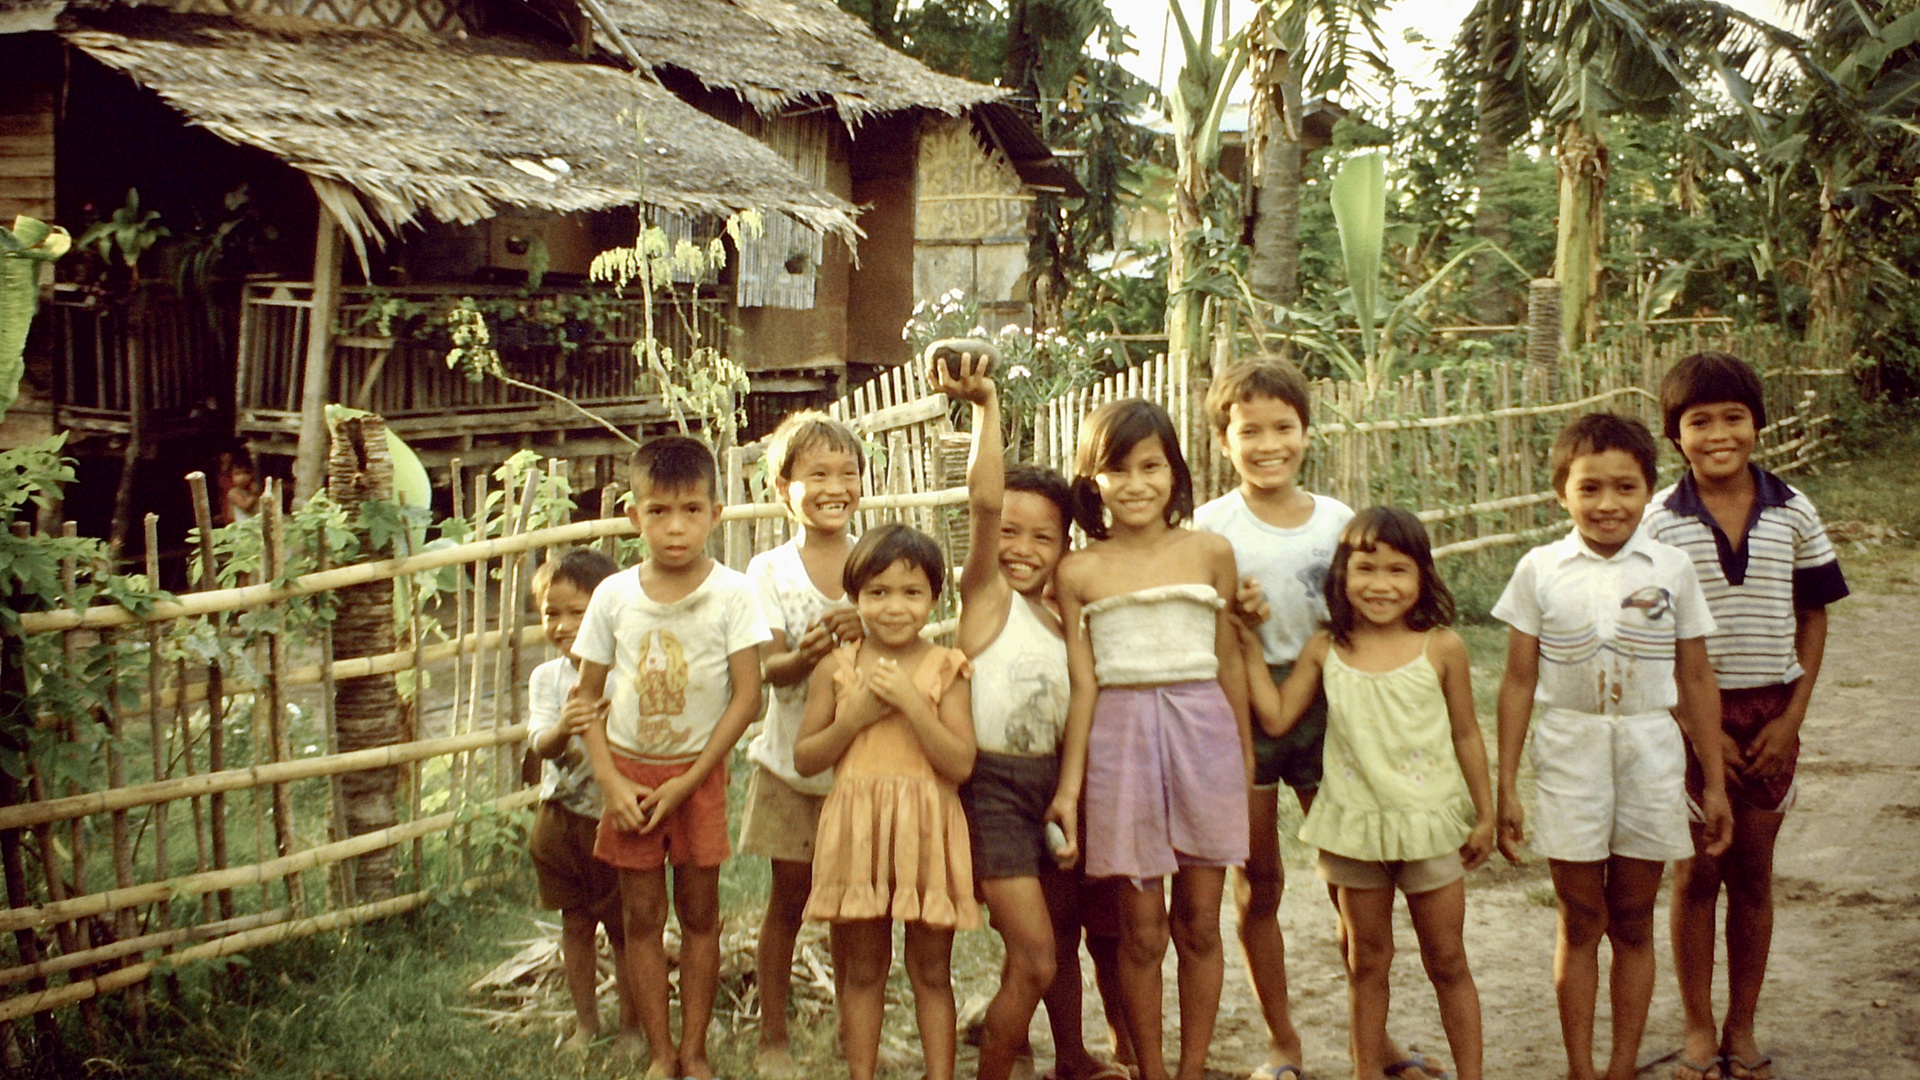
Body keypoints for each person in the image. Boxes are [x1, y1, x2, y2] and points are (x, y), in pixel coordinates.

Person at [1492, 413, 1735, 1080]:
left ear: (1648, 490)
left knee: (1632, 917)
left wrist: (1712, 784)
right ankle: (1580, 1068)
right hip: (1568, 748)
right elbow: (1516, 681)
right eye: (1589, 488)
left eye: (1625, 488)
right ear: (1560, 494)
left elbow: (1694, 677)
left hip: (1651, 751)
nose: (1607, 505)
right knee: (1580, 917)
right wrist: (1506, 783)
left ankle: (1621, 1066)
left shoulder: (1672, 567)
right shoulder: (1540, 569)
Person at [1643, 353, 1849, 1080]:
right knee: (1697, 873)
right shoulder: (1658, 523)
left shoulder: (1794, 511)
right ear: (1675, 436)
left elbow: (1813, 614)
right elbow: (1647, 638)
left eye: (1734, 417)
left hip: (1769, 712)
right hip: (1686, 718)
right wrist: (1693, 730)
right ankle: (1698, 1028)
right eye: (1700, 421)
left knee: (1754, 875)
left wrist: (1792, 717)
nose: (1719, 433)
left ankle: (1742, 1024)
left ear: (1758, 425)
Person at [931, 345, 1131, 1080]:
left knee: (1066, 937)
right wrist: (985, 407)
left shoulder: (1066, 618)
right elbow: (985, 502)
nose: (1020, 547)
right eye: (1011, 533)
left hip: (1055, 785)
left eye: (1041, 535)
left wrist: (1069, 791)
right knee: (1035, 955)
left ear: (1066, 543)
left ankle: (1073, 1058)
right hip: (992, 791)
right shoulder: (985, 599)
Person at [1250, 507, 1494, 1080]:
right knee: (1367, 962)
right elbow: (1278, 717)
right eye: (1366, 568)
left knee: (1449, 959)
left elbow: (1466, 733)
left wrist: (1485, 814)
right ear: (1342, 574)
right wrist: (1241, 638)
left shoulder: (1443, 647)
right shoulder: (1325, 648)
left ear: (1422, 577)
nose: (1380, 585)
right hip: (1354, 827)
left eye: (1397, 571)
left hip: (1428, 823)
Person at [1048, 398, 1252, 1080]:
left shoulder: (1212, 553)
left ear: (1175, 472)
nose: (1136, 484)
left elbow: (1229, 663)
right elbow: (1084, 687)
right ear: (1092, 480)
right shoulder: (1079, 571)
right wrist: (1070, 791)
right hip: (1121, 745)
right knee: (1141, 929)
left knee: (1199, 920)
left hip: (1205, 739)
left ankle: (1192, 1068)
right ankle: (1152, 1071)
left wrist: (1244, 764)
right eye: (1117, 470)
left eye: (1151, 466)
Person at [573, 435, 772, 1080]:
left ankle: (696, 1050)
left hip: (699, 774)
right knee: (640, 917)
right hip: (628, 779)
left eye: (691, 509)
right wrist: (609, 781)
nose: (676, 527)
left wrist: (689, 781)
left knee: (700, 915)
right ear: (634, 516)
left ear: (717, 512)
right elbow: (586, 701)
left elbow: (747, 698)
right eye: (659, 511)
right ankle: (660, 1053)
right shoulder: (612, 597)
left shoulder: (734, 595)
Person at [1192, 359, 1353, 1080]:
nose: (1267, 444)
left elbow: (1366, 612)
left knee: (1353, 877)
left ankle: (1367, 1034)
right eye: (1247, 430)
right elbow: (1194, 625)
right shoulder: (1209, 529)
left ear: (1306, 433)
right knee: (1260, 880)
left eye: (1281, 428)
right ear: (1224, 440)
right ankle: (1281, 1040)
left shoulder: (1339, 523)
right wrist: (1233, 619)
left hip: (1331, 701)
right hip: (1240, 706)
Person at [792, 524, 978, 1080]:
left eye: (911, 592)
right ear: (855, 599)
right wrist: (852, 719)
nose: (894, 607)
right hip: (860, 828)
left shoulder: (948, 667)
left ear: (935, 599)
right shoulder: (836, 667)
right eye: (877, 593)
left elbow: (960, 763)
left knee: (930, 970)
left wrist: (913, 705)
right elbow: (806, 757)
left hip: (926, 827)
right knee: (865, 969)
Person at [738, 409, 867, 1078]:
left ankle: (856, 1033)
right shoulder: (769, 570)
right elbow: (768, 668)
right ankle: (772, 1038)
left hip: (863, 767)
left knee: (853, 909)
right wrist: (809, 651)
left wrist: (869, 629)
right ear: (783, 487)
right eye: (816, 473)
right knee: (788, 902)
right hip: (791, 764)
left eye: (848, 473)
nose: (834, 486)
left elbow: (908, 635)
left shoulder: (877, 554)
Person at [524, 549, 640, 1053]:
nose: (565, 624)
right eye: (553, 613)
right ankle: (586, 1023)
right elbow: (540, 746)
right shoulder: (548, 679)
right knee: (575, 923)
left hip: (614, 818)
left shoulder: (628, 674)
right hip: (561, 819)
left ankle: (633, 1026)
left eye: (580, 612)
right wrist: (562, 729)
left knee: (625, 927)